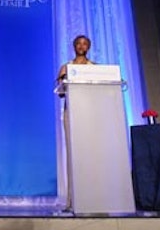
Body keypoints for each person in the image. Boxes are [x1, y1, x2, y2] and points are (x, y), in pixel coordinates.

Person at [57, 34, 95, 212]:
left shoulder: (94, 67)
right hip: (71, 112)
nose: (81, 46)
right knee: (73, 155)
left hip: (89, 112)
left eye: (85, 44)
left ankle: (92, 197)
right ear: (74, 46)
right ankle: (72, 201)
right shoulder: (66, 67)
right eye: (78, 44)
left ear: (88, 47)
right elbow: (60, 92)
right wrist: (63, 80)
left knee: (89, 153)